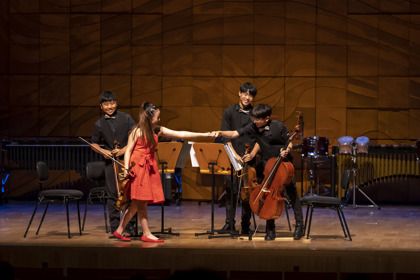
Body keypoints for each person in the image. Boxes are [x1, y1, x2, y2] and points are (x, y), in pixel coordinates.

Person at [113, 102, 216, 242]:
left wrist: (204, 135)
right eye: (157, 117)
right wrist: (126, 169)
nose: (159, 119)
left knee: (138, 203)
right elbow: (128, 151)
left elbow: (181, 133)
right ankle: (145, 233)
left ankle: (121, 230)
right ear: (149, 117)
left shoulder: (157, 130)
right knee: (140, 202)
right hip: (138, 167)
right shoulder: (137, 131)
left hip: (148, 166)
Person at [214, 104, 304, 241]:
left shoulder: (278, 126)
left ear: (266, 118)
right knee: (268, 195)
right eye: (254, 118)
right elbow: (235, 134)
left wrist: (286, 151)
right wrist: (220, 133)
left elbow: (289, 142)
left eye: (258, 119)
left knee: (292, 193)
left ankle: (299, 225)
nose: (255, 121)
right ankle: (270, 229)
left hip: (284, 164)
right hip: (268, 164)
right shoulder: (253, 126)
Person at [91, 91, 136, 236]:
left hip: (128, 162)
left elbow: (135, 136)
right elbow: (94, 144)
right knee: (112, 195)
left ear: (116, 103)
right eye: (106, 104)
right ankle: (115, 227)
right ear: (101, 106)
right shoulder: (99, 124)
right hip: (110, 164)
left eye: (112, 103)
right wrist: (105, 152)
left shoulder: (127, 118)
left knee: (130, 194)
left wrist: (123, 150)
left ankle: (131, 226)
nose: (110, 106)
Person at [217, 82, 257, 235]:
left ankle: (246, 225)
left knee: (247, 193)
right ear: (239, 93)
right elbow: (226, 137)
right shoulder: (229, 112)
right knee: (231, 191)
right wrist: (234, 155)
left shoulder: (255, 114)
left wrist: (250, 154)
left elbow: (258, 138)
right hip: (232, 158)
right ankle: (229, 224)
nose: (247, 97)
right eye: (245, 94)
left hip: (249, 158)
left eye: (251, 95)